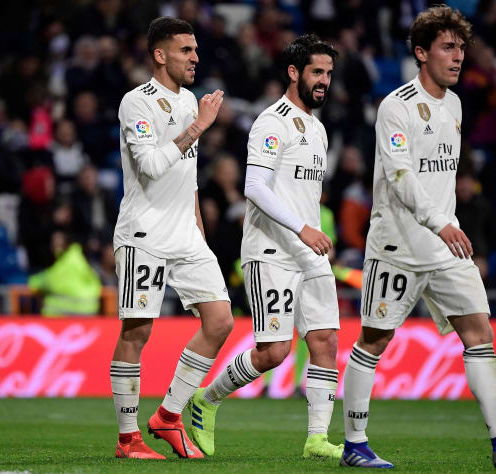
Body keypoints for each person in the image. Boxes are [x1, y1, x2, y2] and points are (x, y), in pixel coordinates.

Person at [341, 6, 496, 469]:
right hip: (397, 246)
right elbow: (400, 176)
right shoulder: (395, 106)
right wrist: (439, 221)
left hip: (445, 247)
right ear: (422, 53)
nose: (458, 56)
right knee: (374, 340)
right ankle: (354, 444)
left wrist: (445, 226)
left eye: (461, 47)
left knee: (479, 332)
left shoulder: (455, 105)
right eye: (447, 47)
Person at [188, 34, 343, 460]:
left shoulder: (318, 129)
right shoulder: (271, 122)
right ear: (293, 72)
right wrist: (303, 229)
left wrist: (310, 233)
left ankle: (316, 439)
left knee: (325, 341)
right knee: (274, 352)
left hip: (309, 253)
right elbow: (255, 187)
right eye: (316, 72)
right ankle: (206, 399)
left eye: (329, 73)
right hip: (272, 251)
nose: (324, 81)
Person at [110, 17, 233, 461]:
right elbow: (149, 166)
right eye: (186, 50)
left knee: (220, 321)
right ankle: (128, 439)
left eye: (196, 50)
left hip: (186, 235)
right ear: (160, 55)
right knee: (137, 329)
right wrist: (198, 126)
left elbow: (188, 175)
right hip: (144, 232)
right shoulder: (136, 102)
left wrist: (199, 228)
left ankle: (168, 415)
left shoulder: (189, 103)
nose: (195, 57)